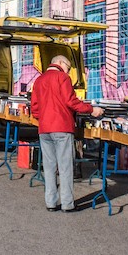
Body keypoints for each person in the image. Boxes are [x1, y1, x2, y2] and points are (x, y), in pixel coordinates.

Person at [30, 55, 103, 213]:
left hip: (44, 128)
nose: (68, 72)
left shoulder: (39, 80)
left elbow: (34, 107)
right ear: (60, 63)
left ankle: (50, 202)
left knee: (49, 167)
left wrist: (43, 117)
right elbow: (71, 101)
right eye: (68, 68)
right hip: (62, 127)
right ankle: (67, 204)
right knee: (65, 167)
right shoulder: (62, 78)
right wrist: (92, 109)